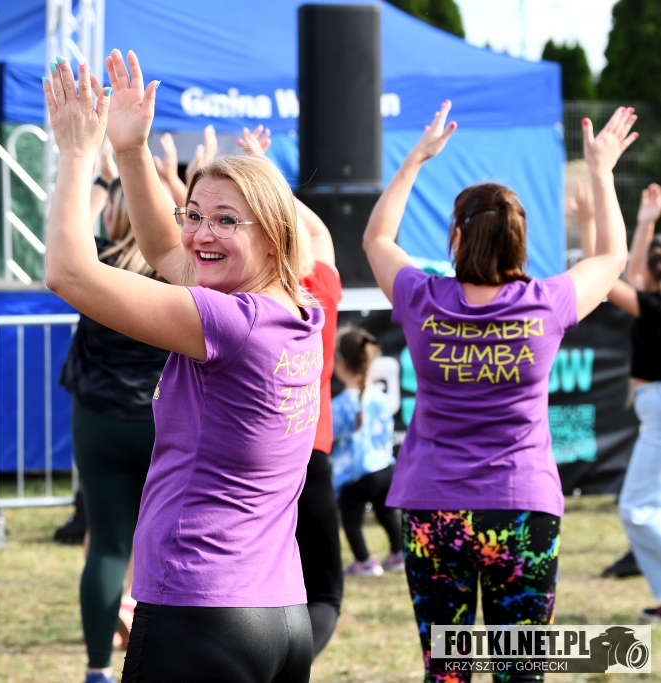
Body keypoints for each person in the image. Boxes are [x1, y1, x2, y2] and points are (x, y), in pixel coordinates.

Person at [41, 49, 320, 682]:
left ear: (273, 234)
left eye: (225, 220)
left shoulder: (229, 322)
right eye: (194, 214)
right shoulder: (298, 312)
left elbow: (68, 273)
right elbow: (166, 250)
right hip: (280, 616)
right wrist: (131, 151)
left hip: (200, 611)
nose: (200, 234)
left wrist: (78, 153)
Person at [363, 101, 635, 682]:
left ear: (457, 237)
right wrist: (601, 170)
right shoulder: (546, 305)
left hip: (434, 509)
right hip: (521, 509)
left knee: (449, 672)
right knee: (520, 672)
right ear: (519, 242)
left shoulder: (421, 298)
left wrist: (415, 159)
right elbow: (612, 257)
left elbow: (377, 237)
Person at [238, 123, 345, 658]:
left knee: (256, 584)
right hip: (311, 450)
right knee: (323, 594)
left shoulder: (248, 300)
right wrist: (270, 173)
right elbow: (319, 233)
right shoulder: (321, 288)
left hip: (256, 459)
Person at [59, 176, 170, 683]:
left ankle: (98, 667)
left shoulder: (96, 263)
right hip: (159, 422)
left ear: (112, 214)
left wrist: (103, 181)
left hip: (98, 419)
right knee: (166, 543)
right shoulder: (174, 274)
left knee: (106, 544)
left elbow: (70, 230)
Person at [573, 181, 661, 618]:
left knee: (638, 510)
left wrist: (590, 222)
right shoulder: (652, 303)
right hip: (654, 408)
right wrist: (645, 223)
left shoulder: (654, 307)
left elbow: (608, 276)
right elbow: (633, 275)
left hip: (658, 411)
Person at [329, 327, 400, 577]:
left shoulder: (338, 406)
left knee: (351, 522)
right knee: (388, 514)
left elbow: (329, 437)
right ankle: (398, 554)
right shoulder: (380, 397)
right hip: (385, 469)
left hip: (355, 476)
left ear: (340, 364)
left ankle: (365, 561)